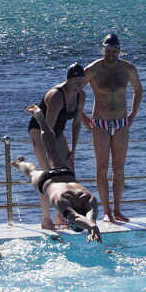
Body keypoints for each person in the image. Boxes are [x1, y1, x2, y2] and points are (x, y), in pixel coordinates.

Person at [12, 109, 102, 243]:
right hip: (47, 181)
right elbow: (75, 217)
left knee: (52, 150)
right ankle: (19, 163)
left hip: (66, 173)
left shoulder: (90, 198)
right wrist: (91, 226)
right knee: (31, 171)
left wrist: (92, 226)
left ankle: (41, 120)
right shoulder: (61, 202)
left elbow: (91, 216)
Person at [83, 34, 143, 224]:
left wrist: (132, 115)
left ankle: (117, 210)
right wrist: (83, 117)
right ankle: (106, 211)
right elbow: (74, 91)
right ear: (103, 50)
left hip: (121, 123)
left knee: (118, 168)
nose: (111, 54)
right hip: (100, 123)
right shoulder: (93, 69)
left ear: (119, 51)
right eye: (108, 50)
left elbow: (138, 90)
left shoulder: (128, 68)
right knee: (102, 168)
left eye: (115, 51)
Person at [27, 63, 87, 230]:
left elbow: (76, 123)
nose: (79, 83)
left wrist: (73, 151)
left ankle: (60, 217)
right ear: (68, 80)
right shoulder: (56, 96)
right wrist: (51, 155)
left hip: (58, 132)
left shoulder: (81, 95)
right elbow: (48, 128)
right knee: (50, 177)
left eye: (82, 80)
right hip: (41, 131)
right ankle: (46, 220)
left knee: (69, 172)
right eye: (76, 80)